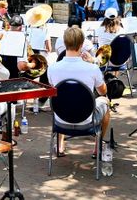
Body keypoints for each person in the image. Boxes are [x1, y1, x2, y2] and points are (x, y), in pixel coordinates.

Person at [48, 27, 111, 157]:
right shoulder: (92, 68)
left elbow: (53, 90)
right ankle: (97, 147)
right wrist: (92, 63)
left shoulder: (52, 68)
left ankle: (60, 145)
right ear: (81, 45)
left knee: (63, 100)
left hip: (61, 119)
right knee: (105, 101)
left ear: (65, 44)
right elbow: (103, 91)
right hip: (86, 121)